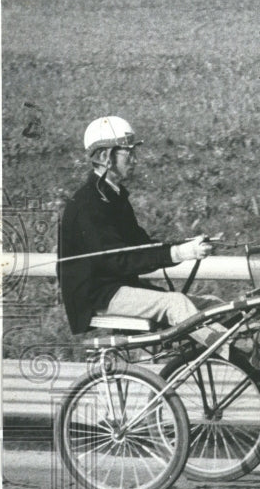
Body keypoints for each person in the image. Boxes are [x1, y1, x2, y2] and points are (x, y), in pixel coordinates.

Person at [58, 116, 228, 354]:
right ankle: (234, 351)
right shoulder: (88, 204)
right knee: (176, 304)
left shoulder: (113, 196)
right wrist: (179, 252)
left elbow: (141, 246)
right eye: (129, 153)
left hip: (118, 288)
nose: (136, 160)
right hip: (98, 296)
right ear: (106, 157)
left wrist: (186, 246)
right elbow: (120, 259)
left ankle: (225, 349)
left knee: (214, 305)